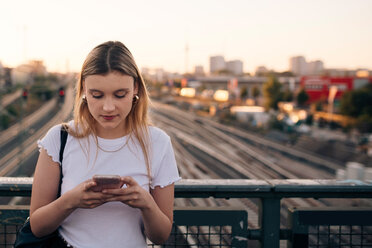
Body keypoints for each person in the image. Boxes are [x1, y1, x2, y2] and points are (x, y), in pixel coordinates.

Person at [29, 41, 181, 247]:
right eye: (97, 95)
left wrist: (146, 204)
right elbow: (37, 226)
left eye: (120, 95)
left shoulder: (158, 143)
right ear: (83, 88)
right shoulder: (59, 138)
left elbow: (160, 236)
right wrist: (72, 200)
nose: (108, 107)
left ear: (136, 87)